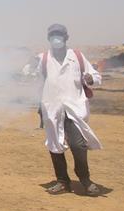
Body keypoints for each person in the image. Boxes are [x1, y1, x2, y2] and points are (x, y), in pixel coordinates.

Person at [31, 24, 103, 196]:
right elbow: (31, 71)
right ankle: (62, 181)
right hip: (52, 108)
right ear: (49, 39)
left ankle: (85, 180)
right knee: (55, 145)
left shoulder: (77, 57)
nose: (56, 38)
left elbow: (96, 76)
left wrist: (90, 78)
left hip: (74, 108)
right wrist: (29, 63)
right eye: (53, 35)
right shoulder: (44, 58)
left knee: (79, 145)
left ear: (66, 38)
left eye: (59, 35)